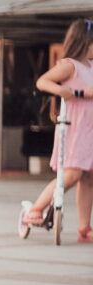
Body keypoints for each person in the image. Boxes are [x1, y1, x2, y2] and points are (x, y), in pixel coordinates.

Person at [24, 18, 93, 242]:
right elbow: (43, 82)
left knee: (89, 177)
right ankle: (36, 209)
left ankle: (84, 227)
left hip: (90, 129)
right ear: (84, 43)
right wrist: (65, 92)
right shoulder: (70, 65)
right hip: (75, 128)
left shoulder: (90, 66)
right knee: (72, 174)